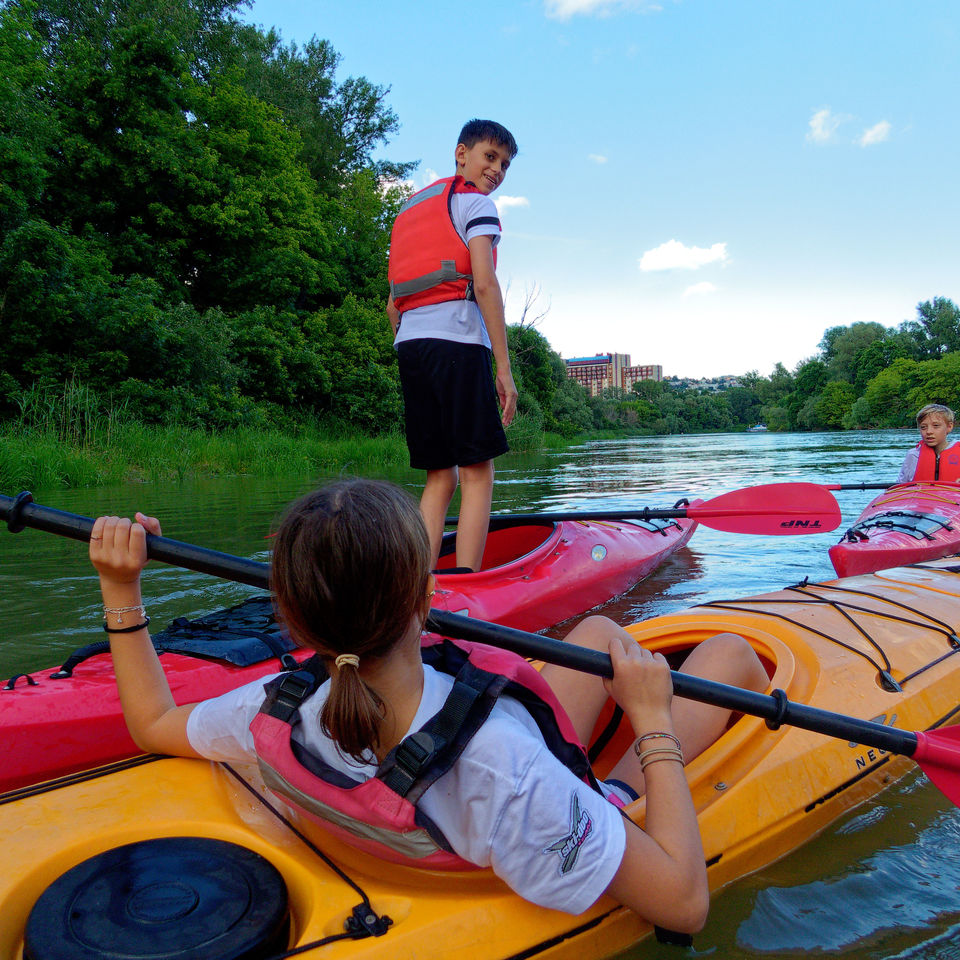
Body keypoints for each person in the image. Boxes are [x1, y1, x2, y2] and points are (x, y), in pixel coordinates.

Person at [90, 477, 769, 930]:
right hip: (530, 812)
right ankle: (633, 780)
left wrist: (121, 586)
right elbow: (683, 906)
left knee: (594, 637)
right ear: (424, 600)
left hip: (447, 821)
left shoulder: (272, 706)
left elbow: (152, 723)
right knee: (733, 654)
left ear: (293, 623)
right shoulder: (501, 763)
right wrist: (649, 723)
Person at [386, 119, 520, 573]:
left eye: (504, 164)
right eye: (490, 156)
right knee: (478, 471)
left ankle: (419, 580)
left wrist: (415, 344)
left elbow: (392, 306)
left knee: (440, 474)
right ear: (461, 154)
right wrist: (503, 369)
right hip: (457, 343)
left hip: (411, 346)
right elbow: (484, 283)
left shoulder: (408, 212)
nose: (497, 169)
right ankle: (468, 584)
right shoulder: (476, 204)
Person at [897, 403, 960, 483]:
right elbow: (899, 486)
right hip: (921, 495)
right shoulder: (913, 455)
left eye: (936, 426)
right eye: (923, 427)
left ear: (949, 427)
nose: (929, 432)